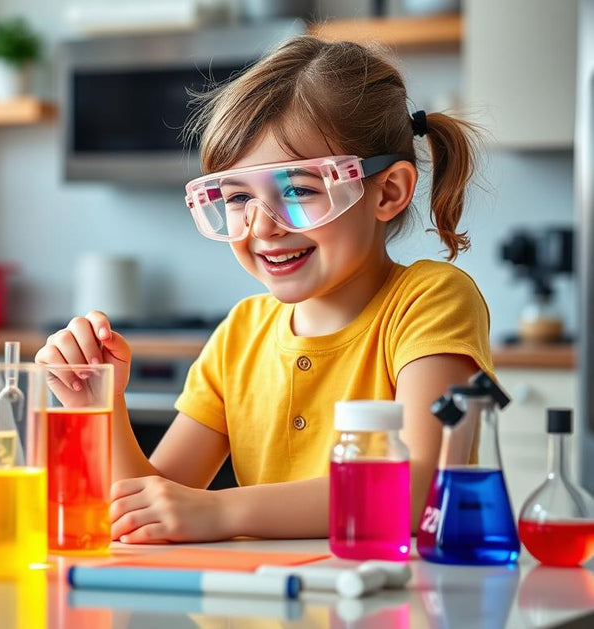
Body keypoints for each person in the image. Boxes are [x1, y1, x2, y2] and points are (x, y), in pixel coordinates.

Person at [36, 36, 490, 543]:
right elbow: (147, 505)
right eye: (236, 198)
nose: (263, 226)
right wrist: (98, 404)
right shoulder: (241, 334)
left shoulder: (430, 301)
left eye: (298, 191)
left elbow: (413, 490)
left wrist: (221, 512)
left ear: (387, 192)